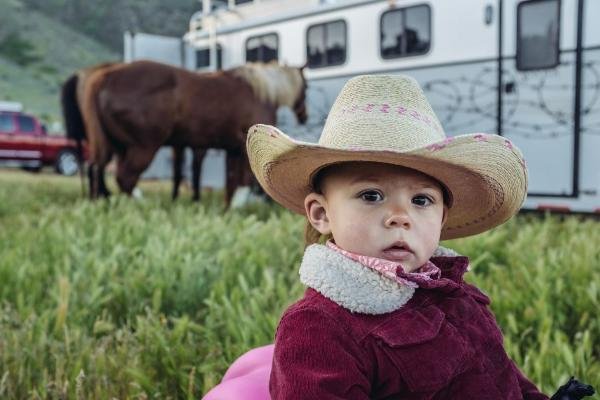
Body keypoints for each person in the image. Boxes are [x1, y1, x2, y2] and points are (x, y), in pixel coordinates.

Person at [245, 74, 546, 399]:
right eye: (371, 195)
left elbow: (503, 373)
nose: (400, 217)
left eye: (421, 200)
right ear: (321, 214)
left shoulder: (452, 290)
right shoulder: (318, 327)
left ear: (442, 217)